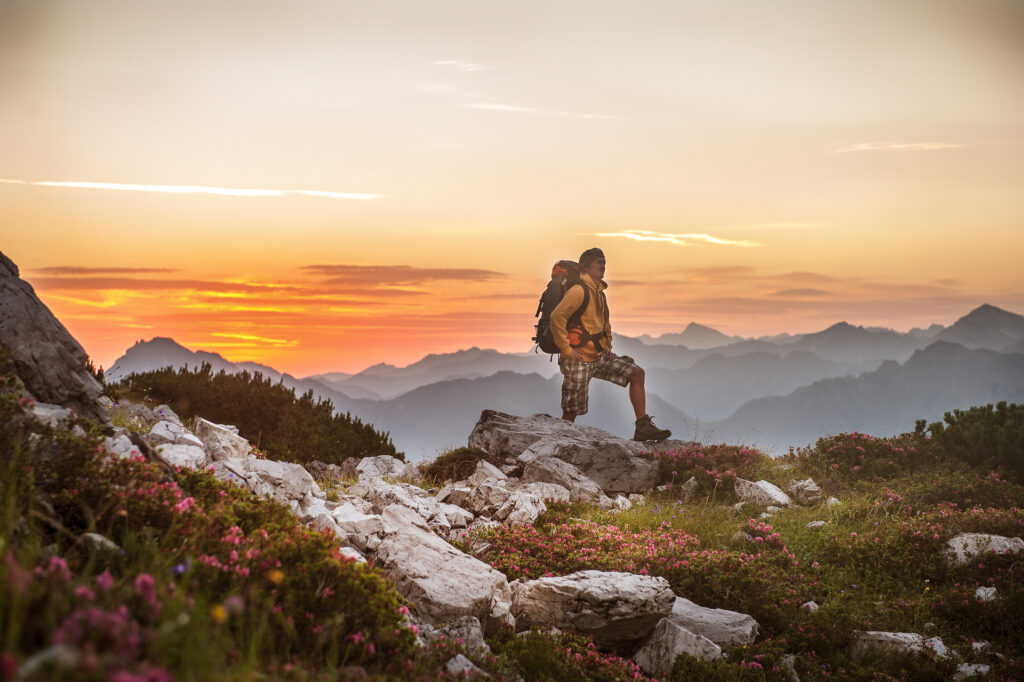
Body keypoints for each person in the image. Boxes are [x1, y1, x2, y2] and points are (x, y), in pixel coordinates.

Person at [550, 247, 672, 442]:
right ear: (586, 267)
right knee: (572, 411)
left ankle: (643, 427)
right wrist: (566, 349)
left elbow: (604, 325)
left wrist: (606, 347)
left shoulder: (600, 293)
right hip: (577, 359)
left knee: (636, 373)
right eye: (599, 262)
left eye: (604, 262)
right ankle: (558, 443)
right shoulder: (578, 290)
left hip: (598, 356)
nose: (603, 266)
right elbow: (557, 317)